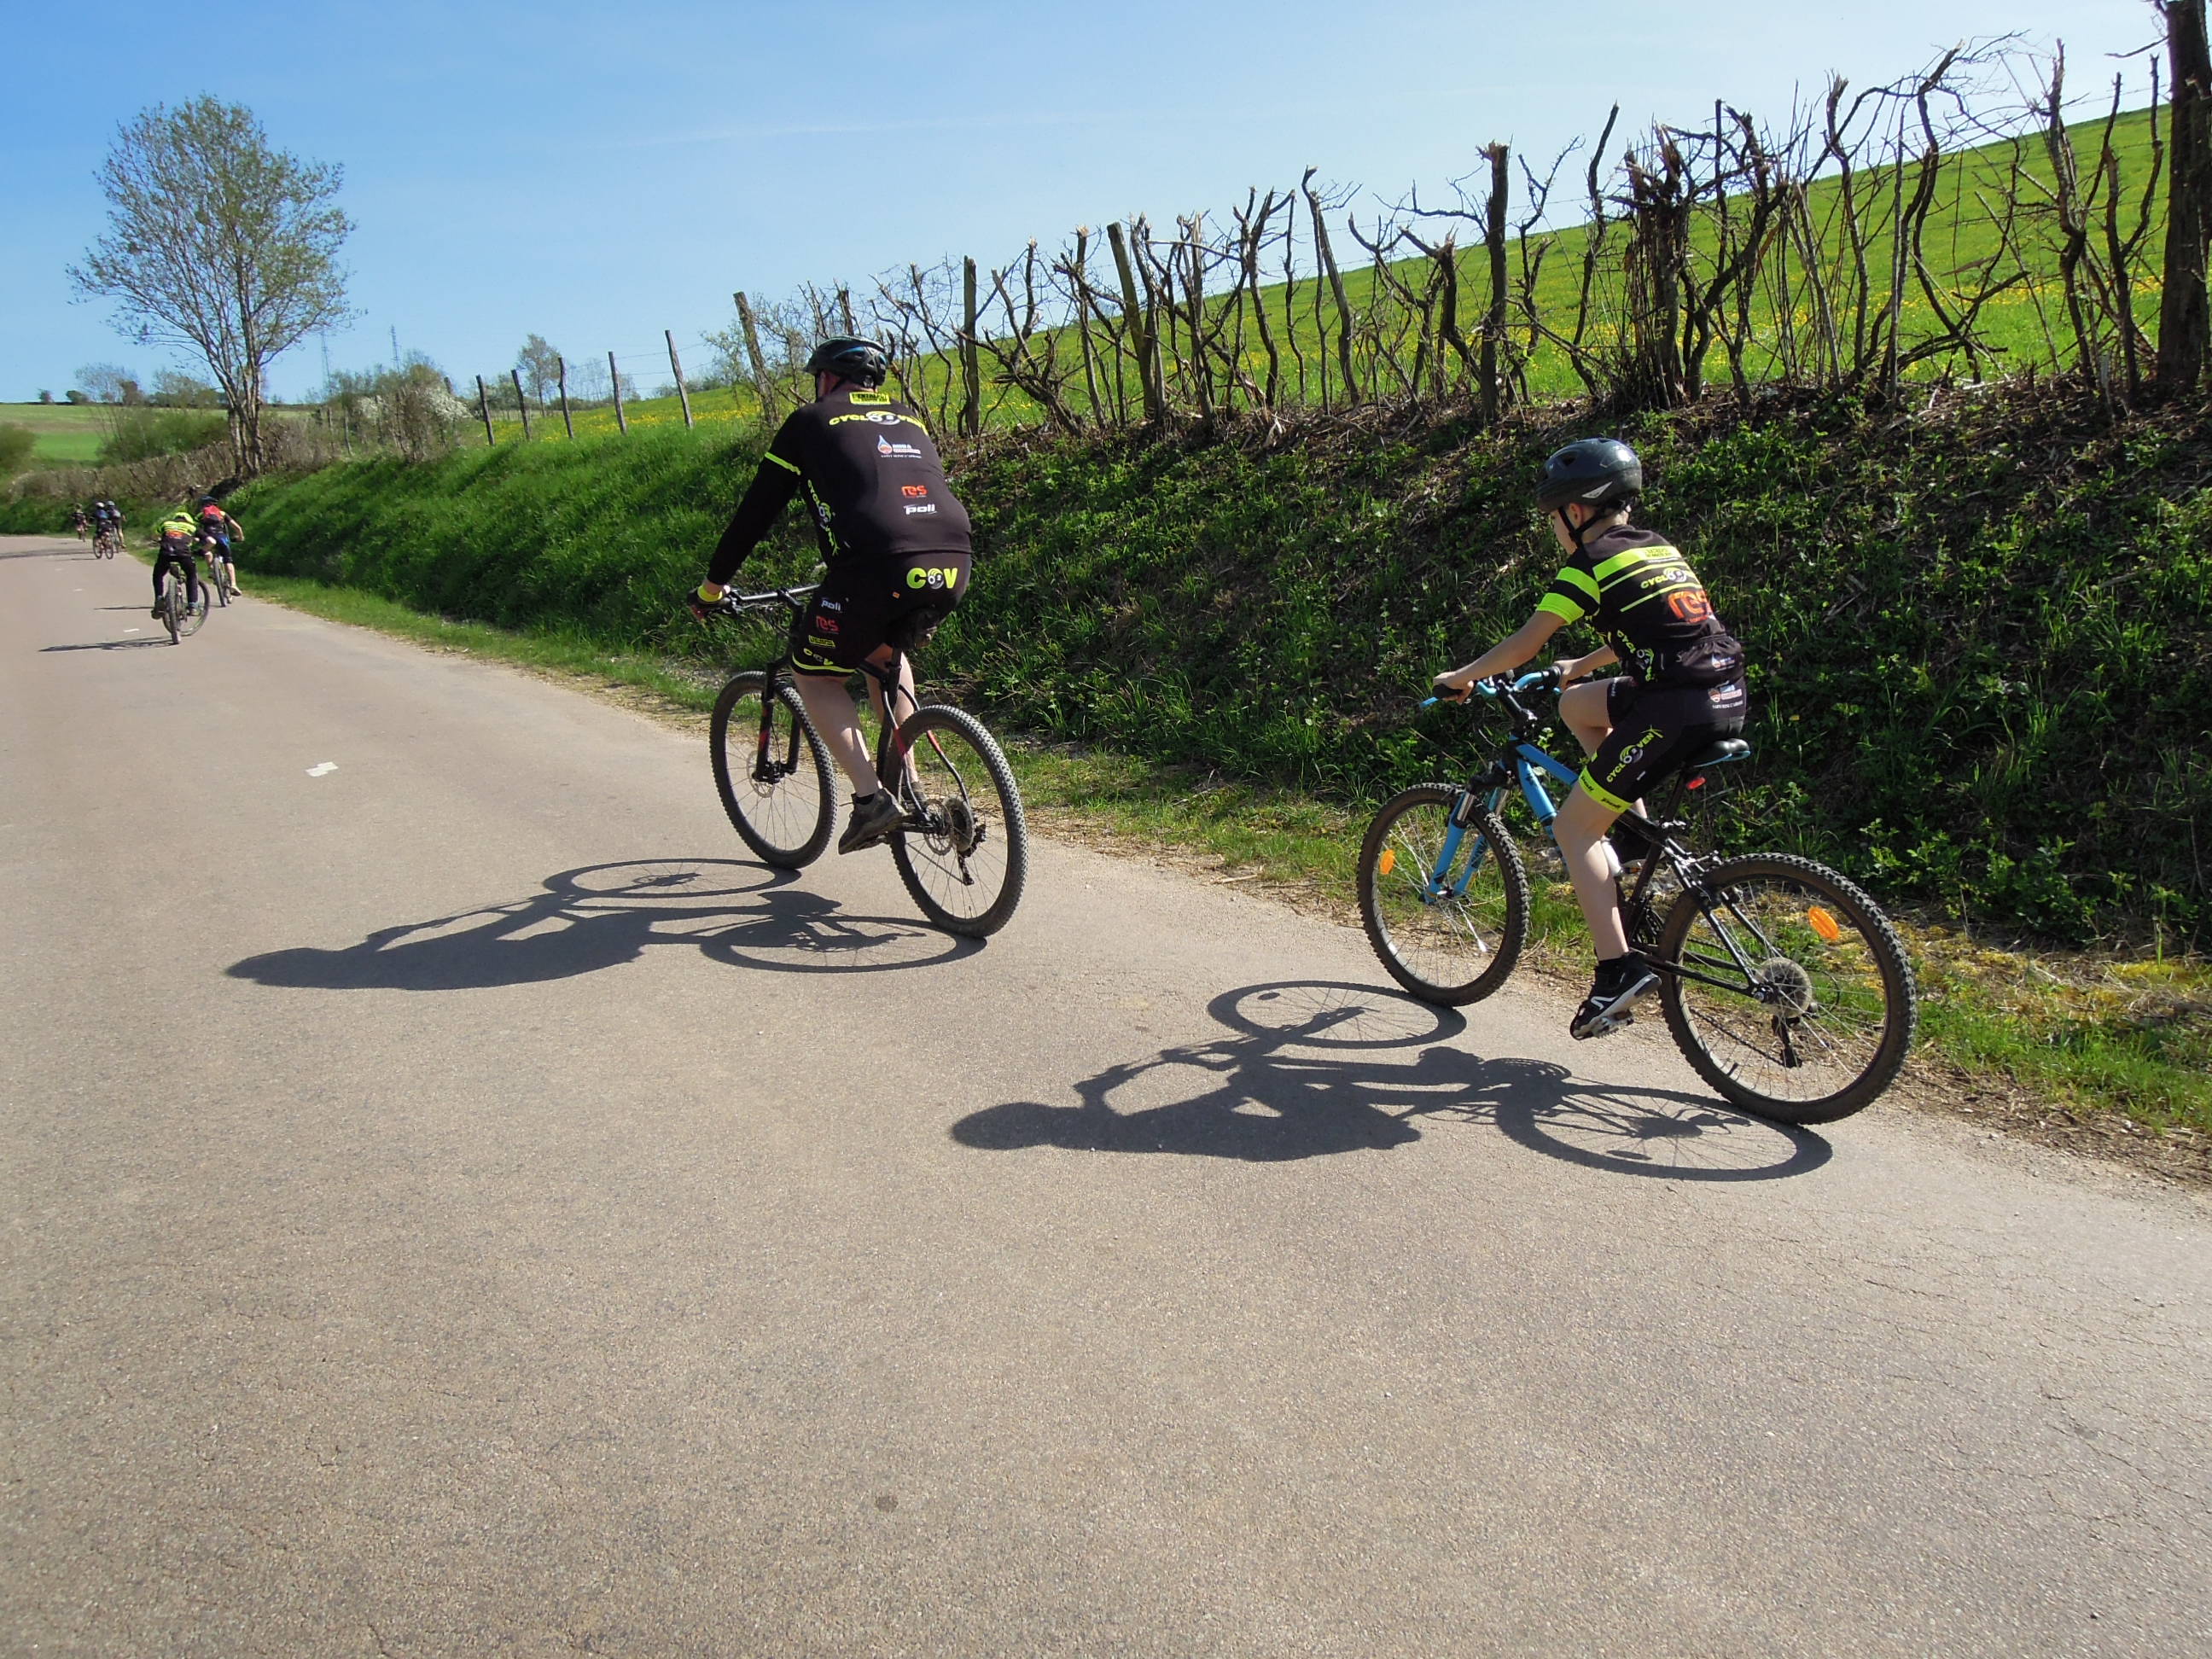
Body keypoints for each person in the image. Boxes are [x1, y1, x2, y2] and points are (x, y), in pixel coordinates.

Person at [1432, 438, 1749, 1039]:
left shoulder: (1589, 564)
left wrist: (1463, 676)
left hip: (1673, 709)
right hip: (1722, 693)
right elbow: (1662, 627)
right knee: (1577, 704)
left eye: (1554, 518)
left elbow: (1526, 643)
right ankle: (1631, 833)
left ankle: (1617, 972)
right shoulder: (1656, 549)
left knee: (1573, 829)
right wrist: (1579, 666)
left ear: (1576, 511)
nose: (1554, 529)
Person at [689, 337, 975, 854]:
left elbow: (756, 513)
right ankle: (910, 783)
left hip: (876, 562)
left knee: (815, 675)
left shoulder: (810, 420)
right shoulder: (908, 419)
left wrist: (713, 587)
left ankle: (871, 800)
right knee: (886, 656)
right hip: (953, 556)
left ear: (826, 378)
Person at [150, 508, 202, 617]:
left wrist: (160, 541)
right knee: (191, 576)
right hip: (184, 554)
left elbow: (154, 536)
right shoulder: (192, 527)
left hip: (166, 553)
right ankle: (193, 605)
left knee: (158, 575)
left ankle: (159, 598)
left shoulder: (166, 524)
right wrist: (201, 550)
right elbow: (211, 541)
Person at [194, 497, 244, 597]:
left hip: (208, 537)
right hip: (222, 538)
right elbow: (237, 527)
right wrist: (240, 537)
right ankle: (233, 585)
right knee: (228, 561)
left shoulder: (201, 515)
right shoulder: (222, 513)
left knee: (207, 551)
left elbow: (194, 528)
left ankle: (212, 570)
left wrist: (195, 538)